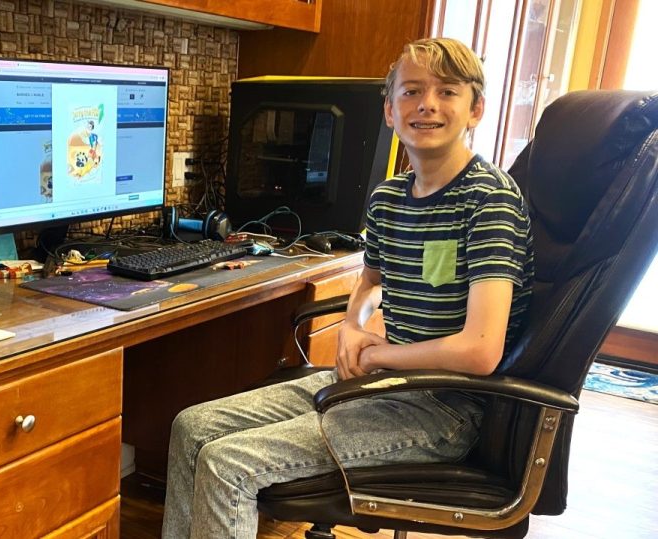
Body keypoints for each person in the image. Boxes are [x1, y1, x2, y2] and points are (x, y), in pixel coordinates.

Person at [161, 37, 534, 539]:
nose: (427, 104)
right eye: (411, 91)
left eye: (447, 91)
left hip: (446, 409)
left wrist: (378, 356)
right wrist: (353, 327)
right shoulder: (389, 199)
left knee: (229, 463)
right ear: (389, 110)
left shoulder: (489, 201)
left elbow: (480, 351)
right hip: (386, 384)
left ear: (476, 109)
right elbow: (370, 281)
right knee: (192, 427)